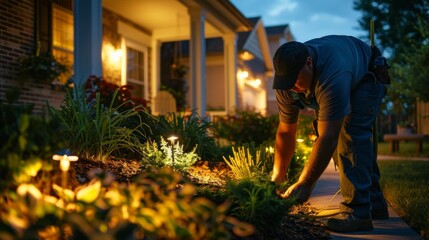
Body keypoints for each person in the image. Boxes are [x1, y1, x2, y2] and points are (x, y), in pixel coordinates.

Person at [271, 35, 390, 232]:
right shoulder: (286, 83)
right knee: (328, 132)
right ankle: (375, 205)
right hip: (344, 71)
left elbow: (328, 137)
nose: (291, 87)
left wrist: (305, 183)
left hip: (367, 76)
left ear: (309, 63)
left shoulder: (332, 75)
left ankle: (358, 213)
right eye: (286, 82)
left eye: (294, 81)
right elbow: (285, 133)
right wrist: (278, 177)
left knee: (350, 137)